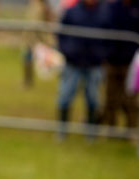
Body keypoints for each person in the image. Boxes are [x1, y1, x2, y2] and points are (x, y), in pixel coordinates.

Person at [56, 0, 106, 139]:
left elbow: (109, 35)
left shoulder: (103, 12)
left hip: (94, 64)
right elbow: (61, 33)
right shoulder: (72, 11)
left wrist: (101, 54)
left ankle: (91, 133)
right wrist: (67, 51)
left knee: (93, 99)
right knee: (65, 96)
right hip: (73, 62)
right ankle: (62, 131)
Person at [100, 0, 139, 137]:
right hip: (112, 60)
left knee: (132, 100)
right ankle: (111, 130)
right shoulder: (112, 7)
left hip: (134, 62)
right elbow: (105, 28)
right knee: (111, 98)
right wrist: (106, 51)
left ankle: (132, 131)